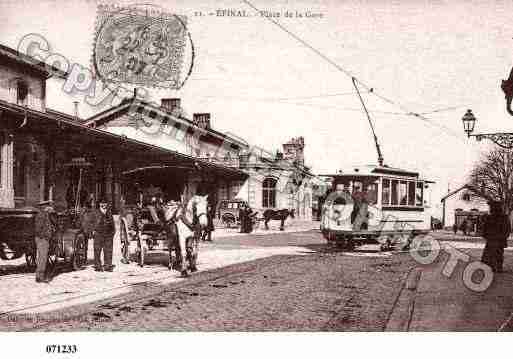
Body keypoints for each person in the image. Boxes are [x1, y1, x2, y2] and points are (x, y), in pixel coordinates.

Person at [481, 201, 511, 273]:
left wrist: (486, 236)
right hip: (499, 239)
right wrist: (504, 236)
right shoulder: (505, 217)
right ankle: (498, 267)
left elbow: (484, 228)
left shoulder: (489, 217)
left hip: (492, 239)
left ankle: (491, 267)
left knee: (489, 254)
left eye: (491, 207)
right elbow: (508, 229)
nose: (490, 208)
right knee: (499, 253)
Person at [34, 200, 57, 283]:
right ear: (45, 207)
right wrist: (43, 237)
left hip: (44, 239)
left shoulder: (45, 215)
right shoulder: (41, 215)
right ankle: (40, 277)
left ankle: (40, 275)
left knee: (43, 258)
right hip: (42, 239)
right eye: (50, 207)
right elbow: (38, 229)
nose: (51, 208)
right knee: (42, 258)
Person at [92, 198, 115, 272]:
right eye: (102, 203)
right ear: (99, 204)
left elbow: (112, 223)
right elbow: (91, 223)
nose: (104, 205)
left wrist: (112, 232)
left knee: (108, 250)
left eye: (105, 203)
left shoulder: (109, 212)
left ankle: (108, 266)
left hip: (108, 234)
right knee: (97, 250)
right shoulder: (95, 212)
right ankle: (98, 266)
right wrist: (93, 231)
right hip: (98, 233)